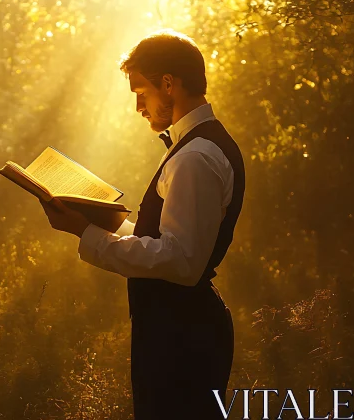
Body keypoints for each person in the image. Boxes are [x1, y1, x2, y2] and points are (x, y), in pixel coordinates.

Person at [39, 29, 245, 420]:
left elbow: (181, 261)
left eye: (141, 92)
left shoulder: (195, 157)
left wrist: (86, 233)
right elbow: (169, 242)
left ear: (169, 84)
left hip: (182, 337)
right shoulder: (196, 148)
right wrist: (104, 223)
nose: (138, 107)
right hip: (177, 329)